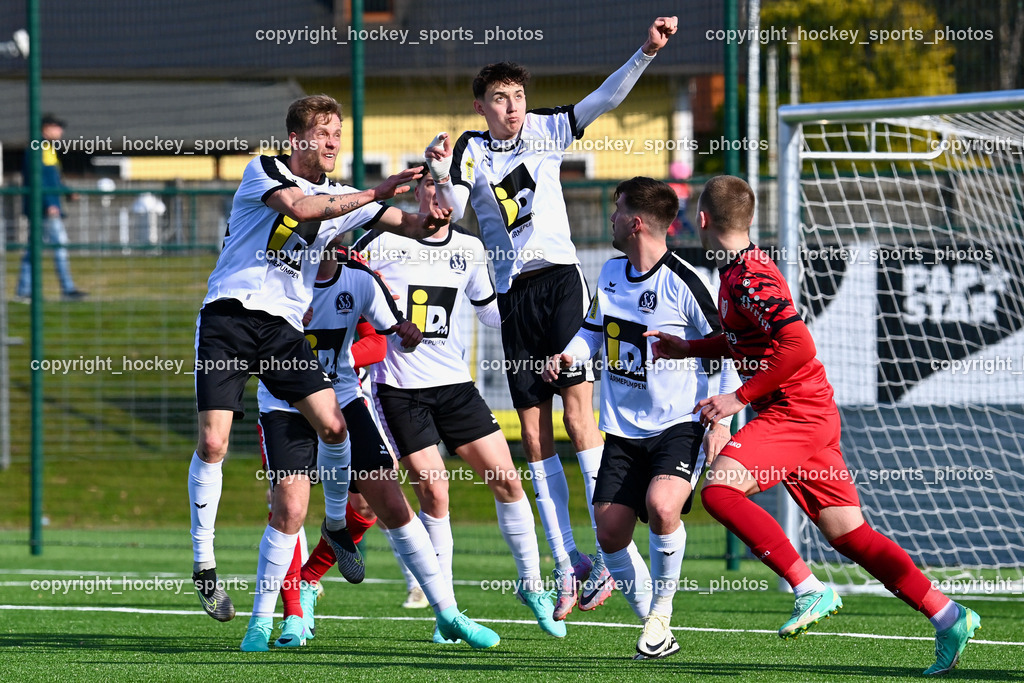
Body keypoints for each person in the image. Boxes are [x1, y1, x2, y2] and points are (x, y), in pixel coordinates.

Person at [648, 174, 980, 675]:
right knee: (850, 535)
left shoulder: (750, 276)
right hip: (809, 415)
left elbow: (799, 345)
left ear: (701, 220)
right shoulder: (738, 272)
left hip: (795, 413)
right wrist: (689, 347)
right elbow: (748, 340)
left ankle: (808, 589)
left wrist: (737, 396)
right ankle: (948, 615)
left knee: (718, 492)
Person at [424, 16, 679, 619]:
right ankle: (568, 566)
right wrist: (438, 170)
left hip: (562, 284)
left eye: (517, 97)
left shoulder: (545, 130)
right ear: (481, 105)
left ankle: (609, 554)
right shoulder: (469, 147)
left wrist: (644, 51)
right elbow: (456, 209)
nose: (512, 108)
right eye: (500, 99)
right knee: (533, 434)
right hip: (514, 296)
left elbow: (603, 98)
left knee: (579, 414)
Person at [188, 94, 450, 623]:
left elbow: (418, 225)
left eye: (337, 134)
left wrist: (437, 188)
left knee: (335, 427)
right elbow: (304, 209)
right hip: (228, 318)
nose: (332, 143)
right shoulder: (265, 170)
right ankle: (204, 566)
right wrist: (375, 192)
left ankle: (335, 525)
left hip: (283, 331)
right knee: (213, 441)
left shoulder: (344, 195)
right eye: (322, 133)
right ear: (296, 140)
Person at [242, 242, 499, 651]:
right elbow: (247, 341)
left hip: (344, 401)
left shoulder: (359, 279)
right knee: (289, 508)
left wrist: (408, 334)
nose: (317, 236)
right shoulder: (271, 282)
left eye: (327, 226)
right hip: (285, 408)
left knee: (391, 504)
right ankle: (265, 622)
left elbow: (389, 334)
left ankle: (448, 613)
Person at [353, 169, 565, 640]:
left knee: (508, 482)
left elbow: (491, 313)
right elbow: (345, 289)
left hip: (456, 388)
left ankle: (532, 586)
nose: (438, 194)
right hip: (399, 390)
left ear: (459, 196)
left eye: (446, 186)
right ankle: (444, 609)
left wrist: (532, 304)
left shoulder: (469, 248)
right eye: (429, 185)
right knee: (435, 492)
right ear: (419, 192)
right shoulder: (381, 240)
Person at [543, 177, 739, 659]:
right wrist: (568, 356)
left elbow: (728, 347)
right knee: (609, 535)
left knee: (662, 506)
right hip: (623, 430)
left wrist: (720, 419)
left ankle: (662, 614)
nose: (610, 219)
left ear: (635, 223)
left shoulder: (684, 281)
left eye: (616, 212)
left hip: (679, 423)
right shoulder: (610, 272)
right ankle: (656, 629)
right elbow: (592, 330)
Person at [17, 113, 87, 301]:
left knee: (34, 249)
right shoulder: (37, 146)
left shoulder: (47, 148)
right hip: (45, 208)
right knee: (59, 245)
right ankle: (67, 289)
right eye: (58, 127)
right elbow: (37, 177)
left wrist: (67, 191)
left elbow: (52, 178)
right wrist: (49, 203)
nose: (61, 131)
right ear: (47, 127)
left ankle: (24, 291)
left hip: (46, 205)